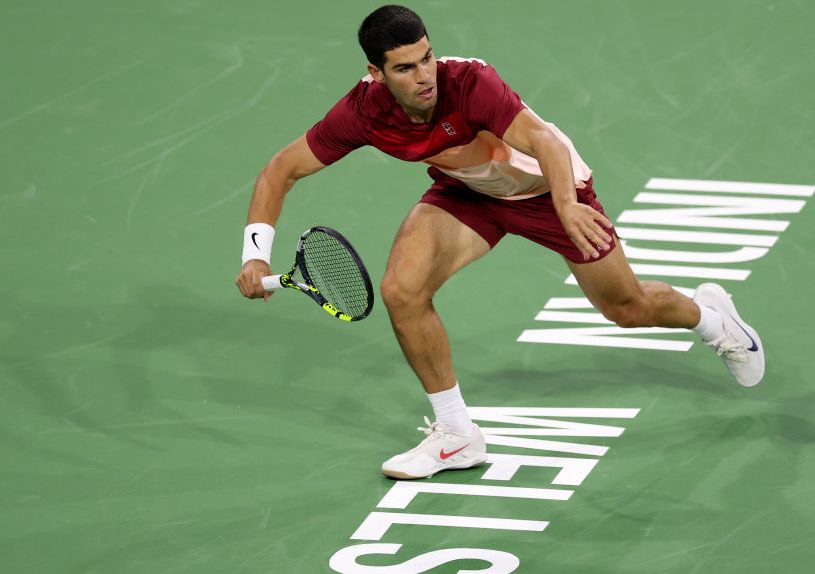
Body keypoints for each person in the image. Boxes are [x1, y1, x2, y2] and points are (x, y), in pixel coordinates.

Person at [235, 5, 764, 480]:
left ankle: (714, 320)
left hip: (550, 192)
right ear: (376, 73)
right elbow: (280, 170)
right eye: (404, 67)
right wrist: (254, 254)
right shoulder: (362, 113)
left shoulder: (470, 83)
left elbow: (543, 141)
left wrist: (564, 204)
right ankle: (458, 435)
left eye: (426, 59)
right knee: (403, 290)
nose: (423, 77)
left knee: (626, 308)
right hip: (469, 193)